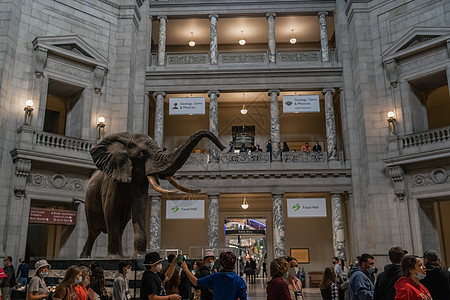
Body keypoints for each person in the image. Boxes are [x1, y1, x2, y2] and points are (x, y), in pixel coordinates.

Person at [180, 251, 247, 300]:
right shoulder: (239, 280)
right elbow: (243, 297)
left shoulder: (215, 277)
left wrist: (186, 269)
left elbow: (196, 282)